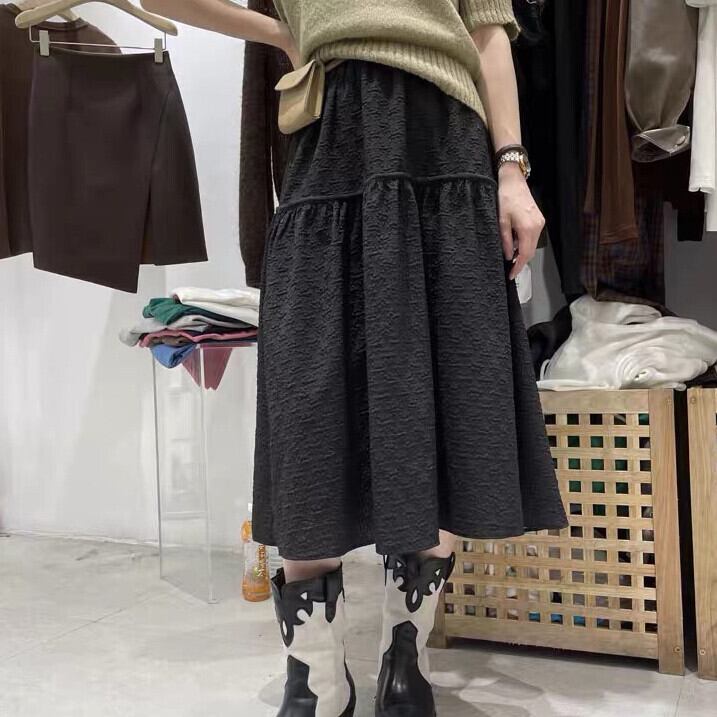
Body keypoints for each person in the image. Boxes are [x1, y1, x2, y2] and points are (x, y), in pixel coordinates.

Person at [143, 2, 568, 715]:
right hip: (328, 146)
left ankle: (406, 659)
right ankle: (315, 676)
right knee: (308, 423)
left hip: (448, 148)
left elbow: (488, 32)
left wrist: (512, 170)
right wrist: (282, 33)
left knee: (444, 407)